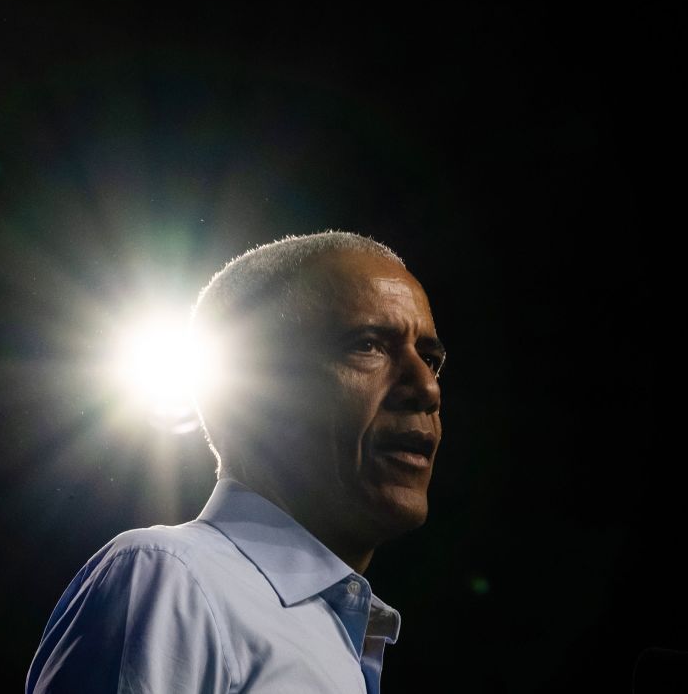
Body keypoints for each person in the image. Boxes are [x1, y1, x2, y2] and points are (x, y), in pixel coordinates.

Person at [26, 231, 446, 693]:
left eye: (430, 358)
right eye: (368, 345)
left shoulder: (338, 641)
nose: (427, 388)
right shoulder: (173, 578)